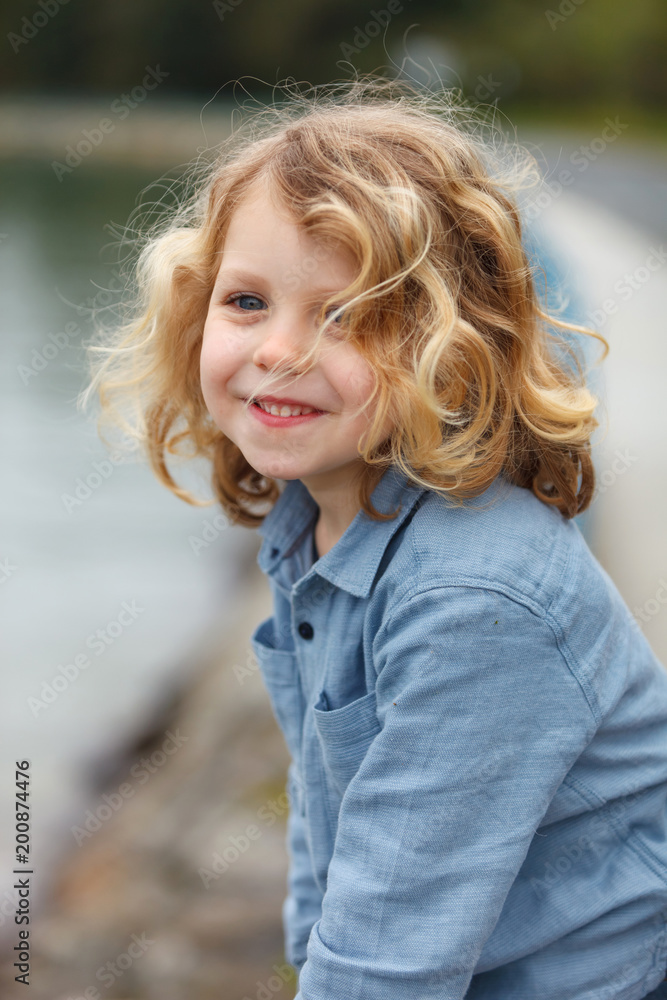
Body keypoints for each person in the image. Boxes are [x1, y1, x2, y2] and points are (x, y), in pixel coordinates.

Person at [82, 78, 667, 999]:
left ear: (455, 347)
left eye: (346, 314)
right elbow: (333, 831)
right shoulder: (316, 520)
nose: (280, 349)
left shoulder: (473, 600)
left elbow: (390, 965)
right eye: (245, 302)